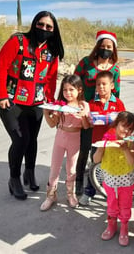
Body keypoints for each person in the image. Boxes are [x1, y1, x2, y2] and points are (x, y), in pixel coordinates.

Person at [0, 11, 64, 200]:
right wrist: (1, 95)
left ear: (53, 30)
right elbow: (0, 65)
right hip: (11, 101)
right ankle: (14, 178)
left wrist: (50, 102)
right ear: (34, 24)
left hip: (37, 103)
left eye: (49, 27)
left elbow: (50, 78)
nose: (44, 29)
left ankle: (29, 173)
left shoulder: (51, 51)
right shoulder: (18, 41)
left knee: (32, 139)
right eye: (41, 24)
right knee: (20, 140)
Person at [74, 30, 121, 197]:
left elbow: (117, 93)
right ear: (97, 47)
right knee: (84, 148)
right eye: (103, 46)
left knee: (100, 150)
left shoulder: (114, 69)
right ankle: (79, 180)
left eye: (109, 47)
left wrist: (113, 114)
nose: (105, 49)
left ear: (113, 49)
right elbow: (74, 82)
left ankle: (98, 180)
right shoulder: (86, 63)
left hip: (104, 115)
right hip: (86, 111)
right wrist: (79, 102)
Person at [40, 75, 90, 210]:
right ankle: (50, 196)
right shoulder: (60, 105)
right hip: (60, 137)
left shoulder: (83, 105)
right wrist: (46, 113)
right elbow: (52, 124)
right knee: (55, 168)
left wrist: (83, 116)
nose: (68, 93)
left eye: (71, 89)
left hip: (75, 139)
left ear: (79, 90)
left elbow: (86, 126)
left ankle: (70, 194)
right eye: (65, 90)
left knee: (71, 169)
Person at [79, 70, 126, 205]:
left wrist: (116, 122)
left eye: (104, 84)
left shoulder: (118, 103)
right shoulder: (92, 104)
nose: (101, 87)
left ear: (112, 86)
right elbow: (87, 126)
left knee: (113, 168)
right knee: (94, 166)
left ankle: (114, 193)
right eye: (98, 84)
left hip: (113, 143)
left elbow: (124, 122)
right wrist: (86, 118)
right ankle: (89, 192)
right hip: (97, 143)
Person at [93, 111, 134, 247]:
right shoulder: (106, 138)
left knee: (125, 205)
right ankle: (111, 225)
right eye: (124, 126)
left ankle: (124, 227)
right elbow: (95, 160)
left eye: (130, 128)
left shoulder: (130, 142)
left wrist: (125, 149)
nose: (126, 130)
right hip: (110, 180)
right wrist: (101, 149)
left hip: (126, 181)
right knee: (111, 203)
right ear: (116, 124)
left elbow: (131, 161)